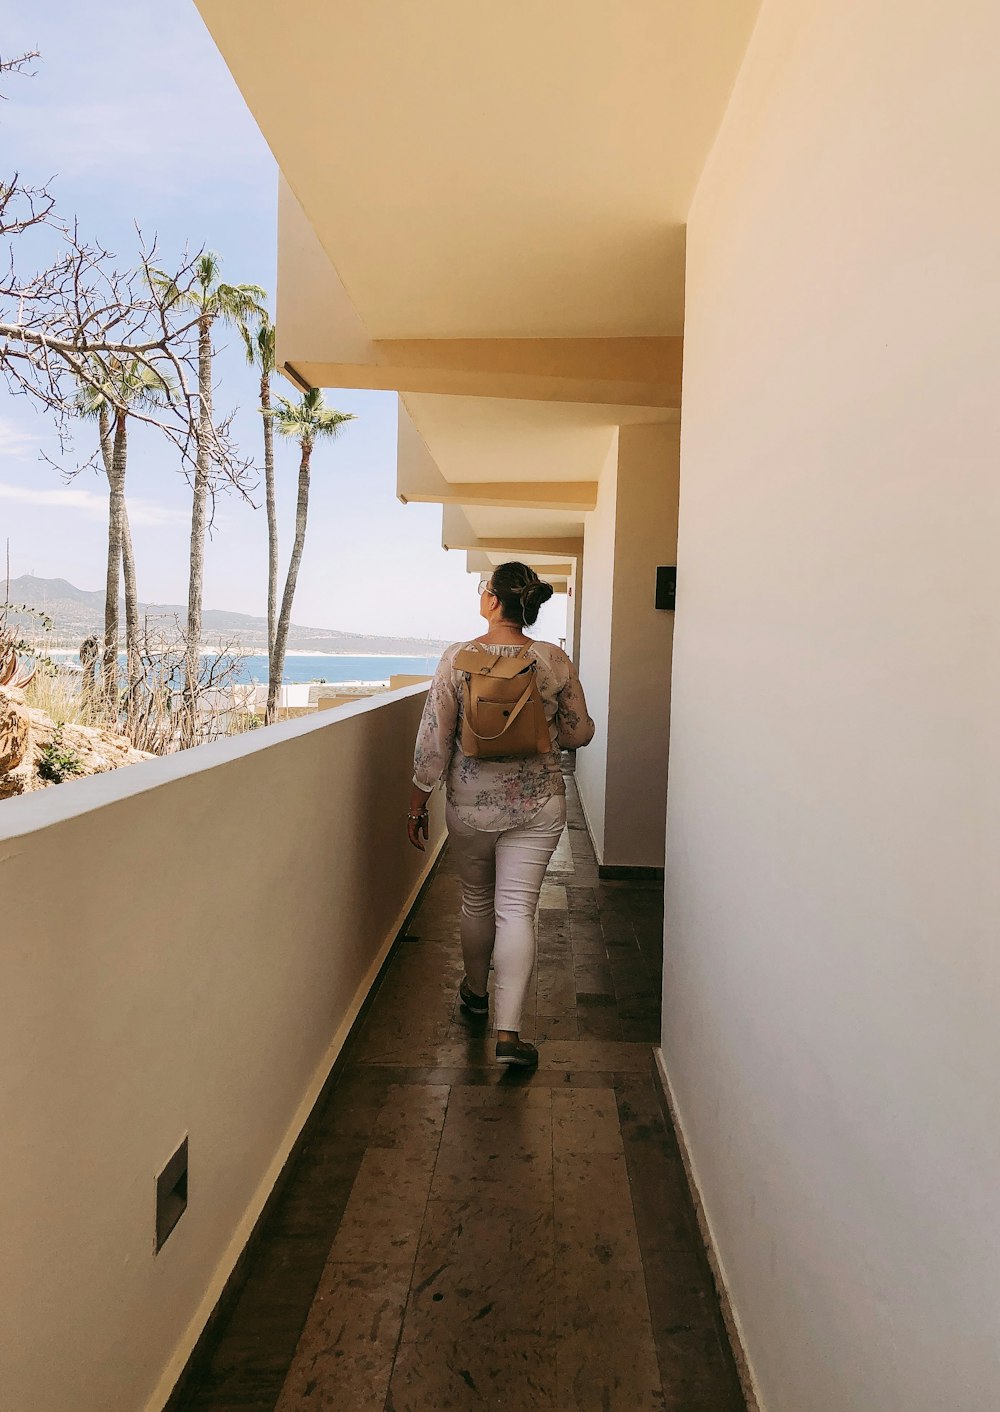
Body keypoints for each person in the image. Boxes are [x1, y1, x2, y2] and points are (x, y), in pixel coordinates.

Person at [407, 561, 595, 1068]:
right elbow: (578, 734)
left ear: (492, 601)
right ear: (530, 606)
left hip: (470, 804)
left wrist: (419, 798)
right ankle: (509, 1036)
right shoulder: (554, 660)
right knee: (517, 909)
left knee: (475, 901)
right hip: (538, 803)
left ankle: (474, 994)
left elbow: (433, 741)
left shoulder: (457, 659)